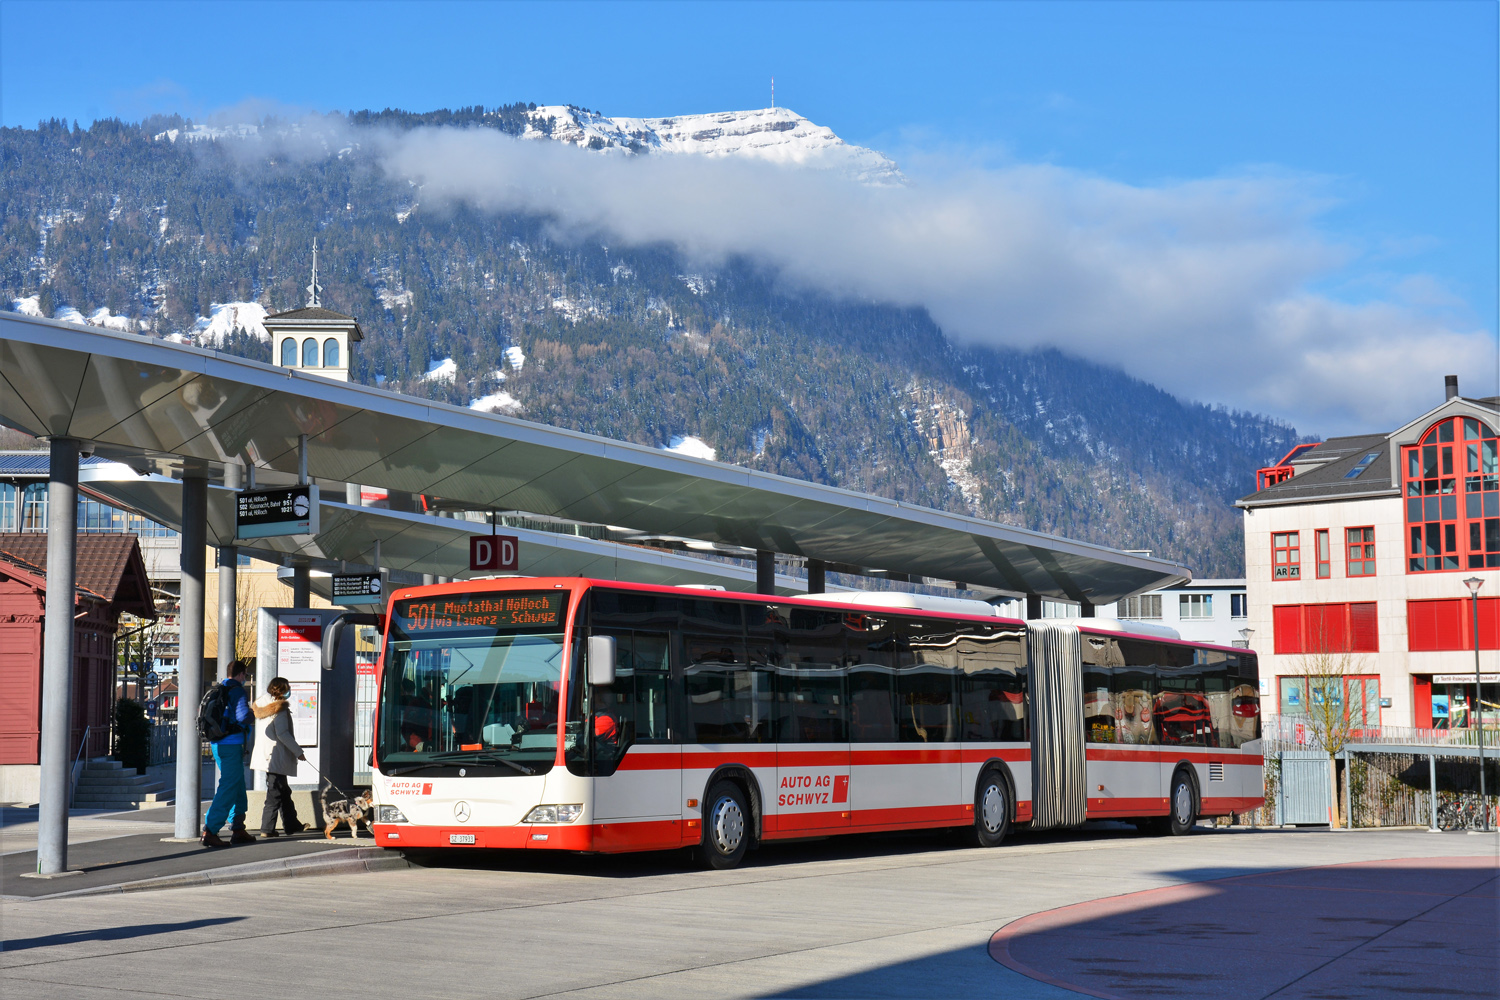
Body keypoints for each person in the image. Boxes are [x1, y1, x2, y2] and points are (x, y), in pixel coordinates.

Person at [202, 660, 255, 847]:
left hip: (217, 743)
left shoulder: (221, 687)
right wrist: (252, 715)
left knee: (237, 784)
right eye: (245, 676)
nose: (245, 679)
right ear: (241, 674)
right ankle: (210, 829)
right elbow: (242, 716)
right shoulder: (238, 690)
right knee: (228, 786)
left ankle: (238, 827)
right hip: (231, 744)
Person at [251, 676, 307, 838]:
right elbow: (282, 734)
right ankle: (267, 829)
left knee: (283, 791)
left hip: (266, 755)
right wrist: (298, 751)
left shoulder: (261, 704)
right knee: (275, 792)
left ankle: (292, 825)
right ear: (282, 690)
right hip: (276, 756)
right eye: (288, 687)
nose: (290, 690)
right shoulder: (278, 708)